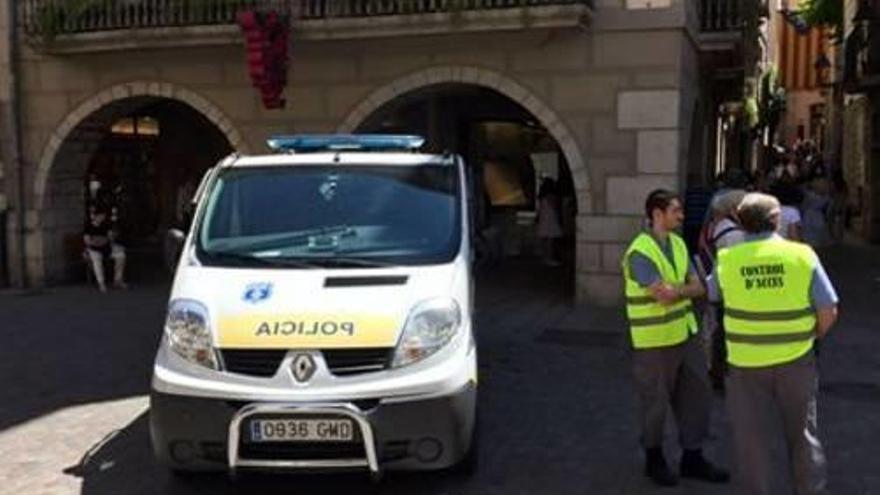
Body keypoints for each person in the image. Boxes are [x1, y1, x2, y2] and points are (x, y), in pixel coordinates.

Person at [707, 193, 838, 495]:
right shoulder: (802, 255)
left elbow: (713, 294)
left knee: (751, 442)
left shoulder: (729, 259)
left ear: (741, 222)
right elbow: (829, 309)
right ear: (777, 221)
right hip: (796, 360)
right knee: (803, 437)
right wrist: (810, 336)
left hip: (745, 364)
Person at [621, 189, 729, 487]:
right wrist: (684, 289)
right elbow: (663, 294)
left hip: (685, 335)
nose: (682, 216)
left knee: (698, 395)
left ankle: (692, 458)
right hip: (653, 341)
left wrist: (679, 290)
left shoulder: (679, 244)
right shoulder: (640, 251)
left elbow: (700, 287)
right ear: (657, 214)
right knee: (654, 403)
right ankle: (654, 458)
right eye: (675, 211)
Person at [697, 189, 747, 390]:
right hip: (727, 287)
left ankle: (716, 369)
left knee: (716, 328)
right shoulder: (733, 233)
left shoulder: (716, 225)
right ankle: (721, 373)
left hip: (716, 283)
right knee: (724, 331)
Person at [84, 205, 127, 292]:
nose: (102, 218)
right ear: (96, 216)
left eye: (103, 216)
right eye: (101, 216)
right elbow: (87, 241)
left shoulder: (106, 225)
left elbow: (110, 237)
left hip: (106, 247)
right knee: (97, 260)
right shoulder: (89, 226)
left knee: (121, 255)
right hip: (94, 248)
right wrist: (97, 242)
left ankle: (117, 280)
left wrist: (112, 236)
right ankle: (101, 283)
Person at [535, 177, 562, 266]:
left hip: (544, 217)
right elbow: (554, 205)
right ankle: (549, 258)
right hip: (550, 217)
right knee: (550, 240)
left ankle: (545, 257)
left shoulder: (542, 196)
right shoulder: (550, 195)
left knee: (545, 238)